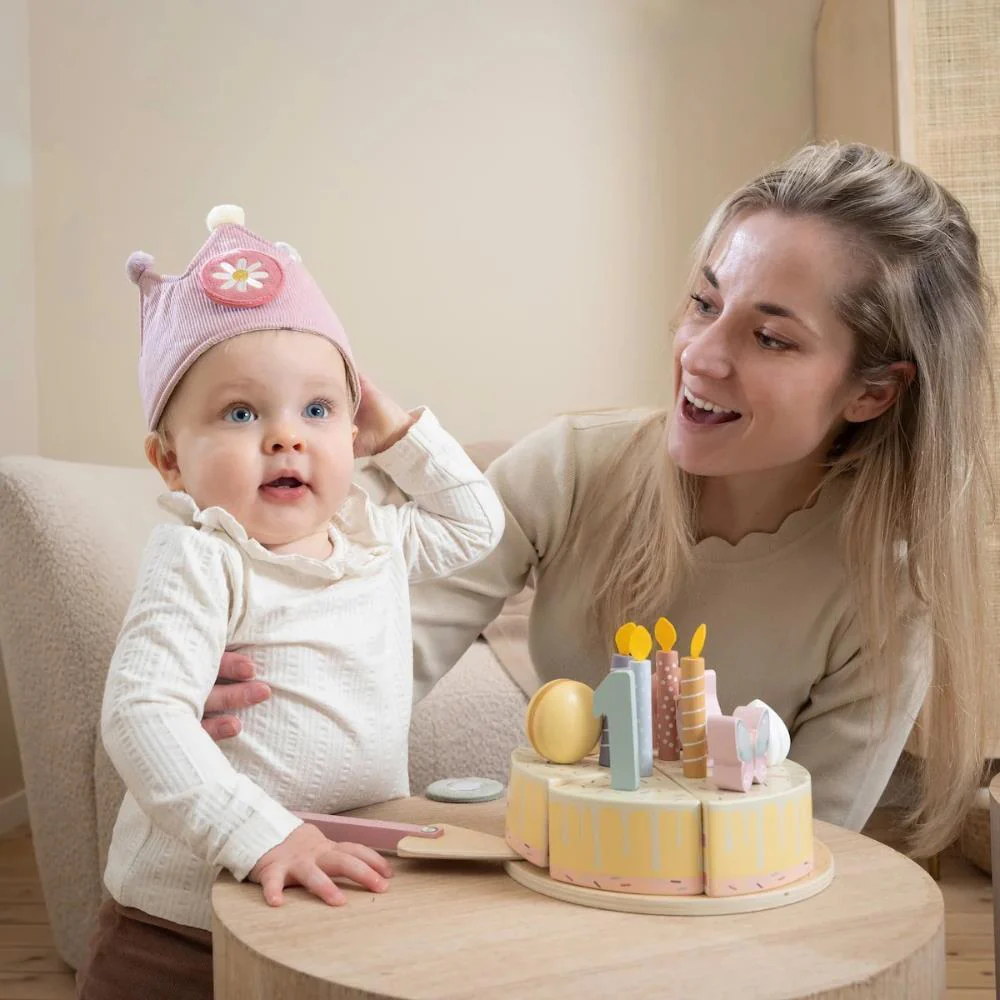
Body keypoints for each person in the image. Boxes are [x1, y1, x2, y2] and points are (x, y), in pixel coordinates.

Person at [207, 142, 994, 858]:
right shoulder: (573, 467)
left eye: (772, 338)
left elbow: (802, 850)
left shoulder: (887, 602)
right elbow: (377, 656)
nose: (702, 356)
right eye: (704, 303)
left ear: (874, 391)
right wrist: (269, 697)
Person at [77, 205, 504, 1000]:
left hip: (328, 889)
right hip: (181, 926)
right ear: (169, 462)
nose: (287, 437)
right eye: (242, 414)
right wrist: (259, 833)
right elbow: (141, 713)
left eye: (318, 410)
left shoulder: (373, 540)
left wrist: (398, 430)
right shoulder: (203, 555)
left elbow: (475, 522)